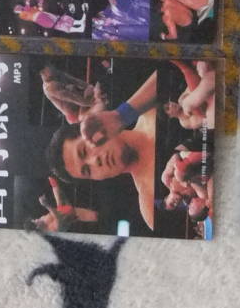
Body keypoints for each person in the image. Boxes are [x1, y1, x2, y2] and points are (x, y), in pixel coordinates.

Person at [46, 71, 159, 229]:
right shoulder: (149, 203)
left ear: (91, 128)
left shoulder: (152, 107)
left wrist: (121, 116)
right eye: (87, 170)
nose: (95, 161)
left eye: (84, 151)